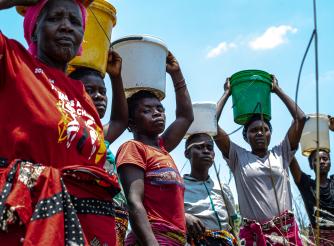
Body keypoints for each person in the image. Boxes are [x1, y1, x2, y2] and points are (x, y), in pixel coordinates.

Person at [0, 0, 120, 245]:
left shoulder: (83, 96)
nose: (66, 26)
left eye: (75, 22)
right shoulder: (14, 63)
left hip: (84, 227)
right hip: (27, 223)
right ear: (34, 28)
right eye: (55, 18)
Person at [214, 76, 306, 245]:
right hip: (254, 236)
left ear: (271, 134)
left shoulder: (282, 153)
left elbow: (301, 118)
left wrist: (277, 90)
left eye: (264, 129)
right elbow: (211, 124)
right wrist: (227, 93)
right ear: (245, 136)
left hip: (286, 233)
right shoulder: (238, 157)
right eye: (254, 130)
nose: (259, 133)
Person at [116, 51, 194, 246]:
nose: (157, 113)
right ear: (131, 123)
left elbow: (186, 117)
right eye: (147, 110)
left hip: (174, 239)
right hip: (151, 239)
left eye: (160, 109)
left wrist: (176, 74)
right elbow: (134, 202)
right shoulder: (133, 148)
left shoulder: (162, 148)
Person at [69, 65, 129, 245]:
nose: (99, 96)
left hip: (114, 222)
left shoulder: (100, 134)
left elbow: (120, 120)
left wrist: (116, 76)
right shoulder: (68, 131)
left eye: (103, 91)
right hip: (83, 219)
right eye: (90, 90)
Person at [183, 133, 238, 246]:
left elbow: (231, 225)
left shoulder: (222, 188)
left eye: (210, 148)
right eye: (199, 147)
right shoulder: (179, 186)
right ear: (187, 154)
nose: (206, 151)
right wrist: (184, 217)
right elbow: (166, 216)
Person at [290, 116, 334, 245]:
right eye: (316, 159)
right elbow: (290, 156)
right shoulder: (306, 185)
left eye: (325, 159)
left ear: (330, 163)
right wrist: (295, 129)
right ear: (310, 165)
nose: (321, 161)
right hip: (317, 239)